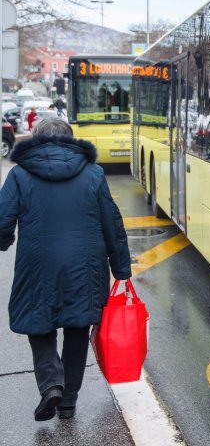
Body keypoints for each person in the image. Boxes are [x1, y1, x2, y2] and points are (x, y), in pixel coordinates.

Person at [0, 118, 131, 421]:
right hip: (85, 266)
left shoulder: (20, 174)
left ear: (35, 140)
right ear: (72, 141)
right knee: (77, 326)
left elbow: (3, 221)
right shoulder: (94, 173)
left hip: (37, 265)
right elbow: (112, 223)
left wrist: (5, 240)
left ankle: (51, 386)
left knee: (39, 323)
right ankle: (69, 401)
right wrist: (121, 268)